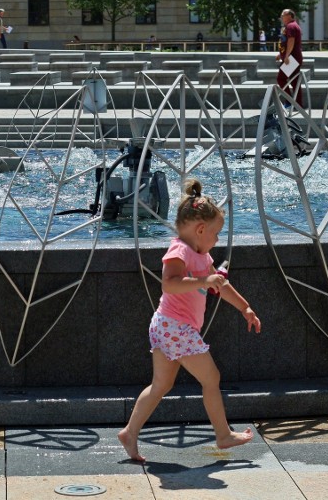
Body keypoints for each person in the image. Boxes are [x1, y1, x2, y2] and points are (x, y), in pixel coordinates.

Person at [118, 179, 261, 462]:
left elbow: (219, 286)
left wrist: (245, 308)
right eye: (216, 233)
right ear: (200, 229)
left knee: (161, 385)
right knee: (212, 378)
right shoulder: (179, 251)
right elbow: (169, 284)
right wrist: (203, 279)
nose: (217, 240)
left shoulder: (201, 254)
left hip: (167, 327)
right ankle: (223, 434)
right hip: (176, 328)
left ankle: (130, 432)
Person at [275, 8, 304, 108]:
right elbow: (286, 42)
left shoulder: (291, 26)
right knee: (295, 82)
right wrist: (281, 54)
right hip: (293, 58)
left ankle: (289, 101)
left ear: (290, 16)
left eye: (283, 15)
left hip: (291, 59)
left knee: (281, 79)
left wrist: (286, 56)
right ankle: (298, 104)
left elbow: (291, 41)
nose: (282, 17)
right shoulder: (291, 26)